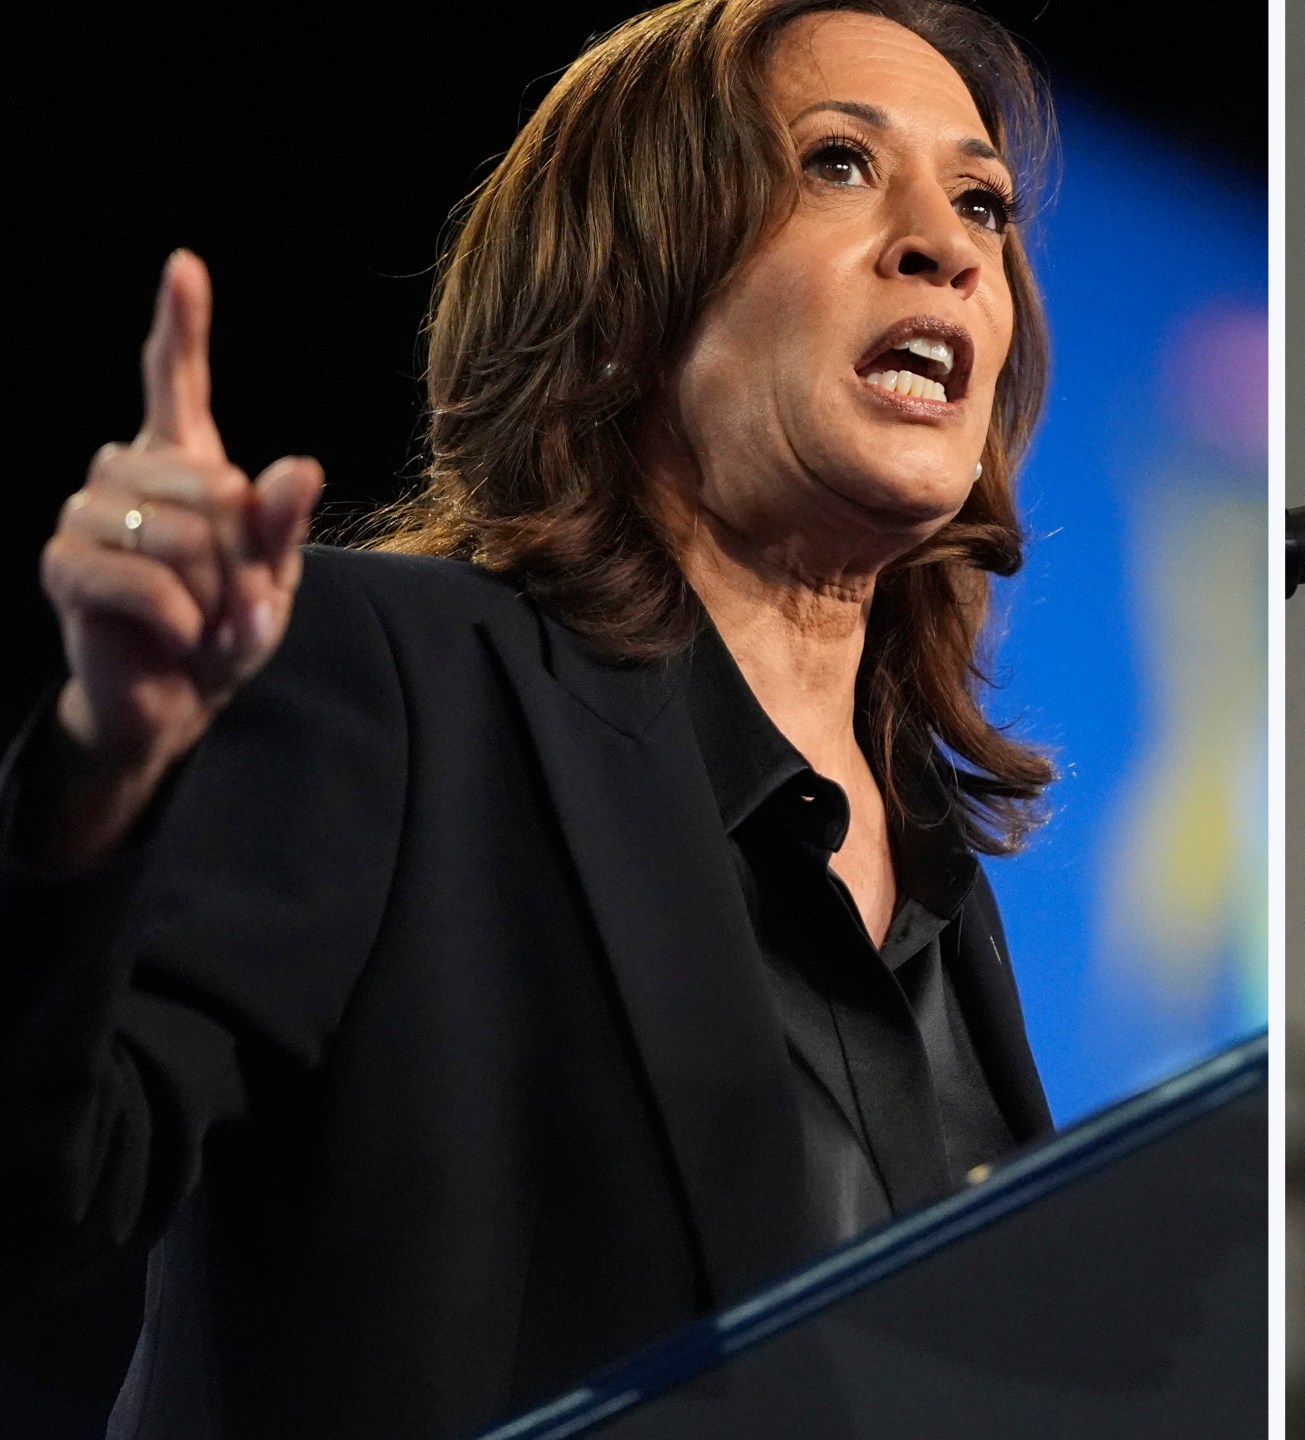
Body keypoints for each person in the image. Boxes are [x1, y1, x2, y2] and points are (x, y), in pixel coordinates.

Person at [0, 1, 1068, 1434]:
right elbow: (44, 1201)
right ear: (632, 281)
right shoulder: (396, 683)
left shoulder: (945, 882)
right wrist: (104, 775)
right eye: (836, 164)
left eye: (982, 200)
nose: (946, 241)